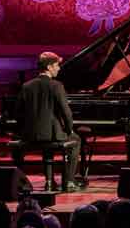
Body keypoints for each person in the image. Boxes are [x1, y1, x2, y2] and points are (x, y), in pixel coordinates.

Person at [12, 51, 80, 192]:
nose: (59, 68)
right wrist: (69, 129)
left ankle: (24, 182)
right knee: (76, 140)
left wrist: (24, 131)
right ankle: (69, 182)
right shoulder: (56, 86)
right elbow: (66, 113)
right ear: (49, 67)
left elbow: (18, 113)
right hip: (52, 135)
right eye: (57, 65)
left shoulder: (26, 86)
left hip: (30, 136)